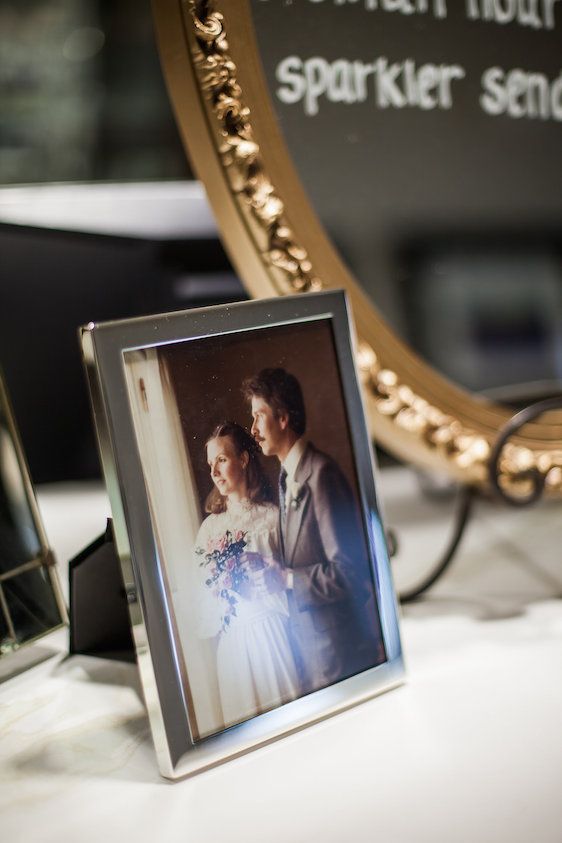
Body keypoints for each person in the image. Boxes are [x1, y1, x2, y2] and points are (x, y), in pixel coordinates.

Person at [243, 368, 383, 695]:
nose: (252, 429)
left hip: (339, 655)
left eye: (259, 416)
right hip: (313, 654)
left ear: (282, 419)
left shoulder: (321, 475)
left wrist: (288, 579)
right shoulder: (285, 478)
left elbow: (350, 572)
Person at [193, 421, 300, 730]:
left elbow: (295, 582)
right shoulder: (210, 529)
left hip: (272, 633)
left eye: (222, 460)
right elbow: (202, 606)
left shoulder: (273, 518)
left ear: (243, 458)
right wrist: (216, 589)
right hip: (233, 646)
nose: (214, 472)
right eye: (210, 464)